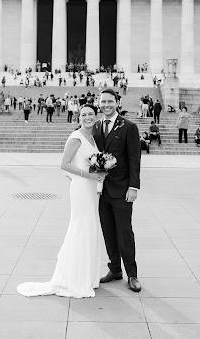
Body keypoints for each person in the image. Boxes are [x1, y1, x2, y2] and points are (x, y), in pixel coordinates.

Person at [18, 105, 107, 298]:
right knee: (81, 225)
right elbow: (64, 164)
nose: (87, 117)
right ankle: (75, 276)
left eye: (91, 114)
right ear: (79, 117)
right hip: (82, 187)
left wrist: (100, 173)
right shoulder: (76, 137)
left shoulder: (94, 137)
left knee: (90, 225)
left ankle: (89, 275)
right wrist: (89, 176)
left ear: (96, 116)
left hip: (91, 188)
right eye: (83, 115)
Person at [93, 89, 142, 293]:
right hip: (101, 190)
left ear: (117, 102)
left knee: (124, 232)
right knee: (108, 231)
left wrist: (133, 186)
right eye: (103, 101)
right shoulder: (96, 126)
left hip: (122, 189)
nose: (106, 105)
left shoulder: (129, 126)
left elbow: (134, 158)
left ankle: (132, 274)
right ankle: (115, 268)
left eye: (110, 101)